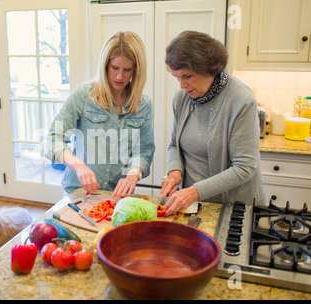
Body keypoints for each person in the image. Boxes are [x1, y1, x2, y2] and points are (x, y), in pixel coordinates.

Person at [161, 30, 264, 216]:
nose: (181, 85)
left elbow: (244, 167)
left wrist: (194, 191)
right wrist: (174, 172)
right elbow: (174, 143)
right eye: (177, 77)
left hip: (234, 207)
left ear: (209, 69)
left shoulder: (241, 100)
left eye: (187, 76)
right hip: (194, 206)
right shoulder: (182, 98)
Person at [46, 31, 155, 197]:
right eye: (115, 68)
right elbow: (54, 138)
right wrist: (78, 165)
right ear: (105, 65)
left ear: (136, 70)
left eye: (127, 70)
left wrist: (134, 173)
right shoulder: (83, 96)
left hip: (116, 195)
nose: (120, 76)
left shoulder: (144, 104)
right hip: (78, 192)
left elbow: (145, 150)